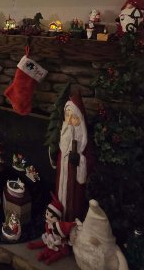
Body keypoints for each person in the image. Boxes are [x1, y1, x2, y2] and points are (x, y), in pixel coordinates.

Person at [55, 88, 93, 222]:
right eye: (67, 115)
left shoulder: (83, 141)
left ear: (80, 119)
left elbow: (88, 164)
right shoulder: (64, 136)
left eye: (74, 117)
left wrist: (80, 161)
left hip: (74, 185)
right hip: (61, 179)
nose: (69, 121)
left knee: (74, 203)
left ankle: (71, 222)